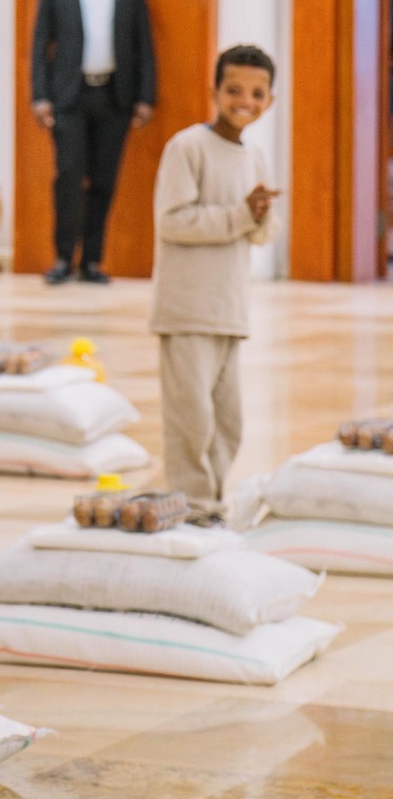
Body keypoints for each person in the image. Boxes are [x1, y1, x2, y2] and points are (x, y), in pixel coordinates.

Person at [151, 45, 278, 519]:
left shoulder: (255, 156)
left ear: (270, 100)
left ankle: (213, 506)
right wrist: (241, 215)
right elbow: (172, 222)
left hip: (230, 309)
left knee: (228, 422)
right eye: (234, 90)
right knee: (192, 419)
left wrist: (259, 216)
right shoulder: (187, 147)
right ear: (214, 91)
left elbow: (262, 232)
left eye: (257, 94)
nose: (245, 101)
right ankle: (193, 506)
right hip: (186, 309)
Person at [30, 0, 157, 284]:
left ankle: (91, 262)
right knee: (69, 178)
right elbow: (40, 44)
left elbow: (144, 43)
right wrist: (40, 96)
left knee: (103, 180)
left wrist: (145, 97)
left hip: (114, 96)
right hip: (69, 97)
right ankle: (63, 258)